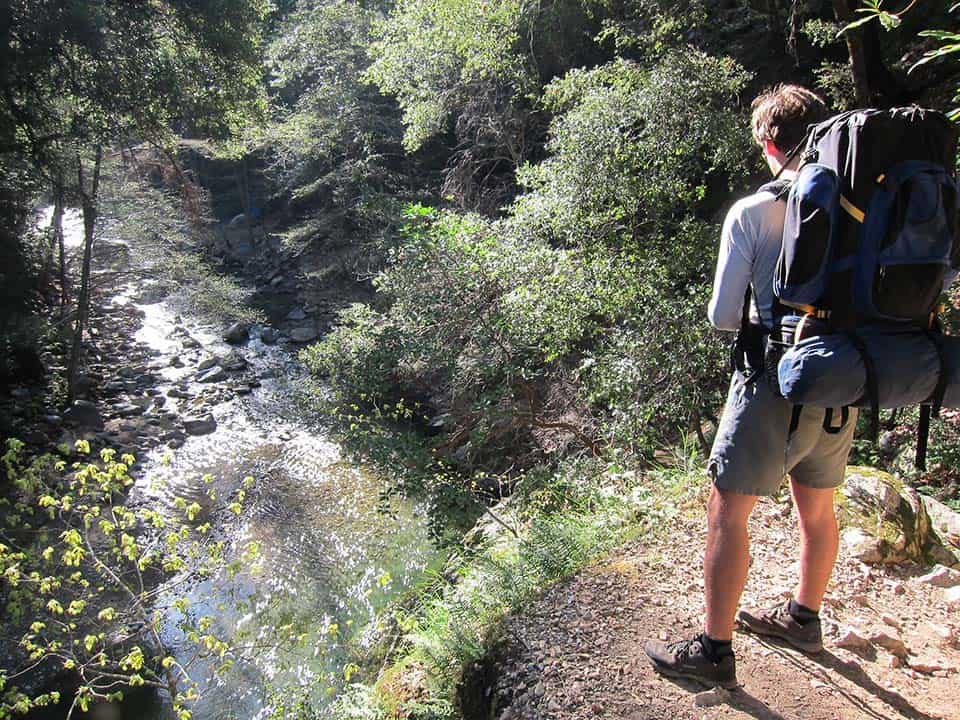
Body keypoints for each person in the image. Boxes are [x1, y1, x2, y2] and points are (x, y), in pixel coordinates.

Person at [643, 84, 858, 690]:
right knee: (816, 504)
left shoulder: (754, 212)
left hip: (773, 380)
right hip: (842, 379)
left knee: (726, 511)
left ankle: (713, 651)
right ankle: (803, 619)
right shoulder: (856, 205)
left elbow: (722, 317)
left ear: (770, 143)